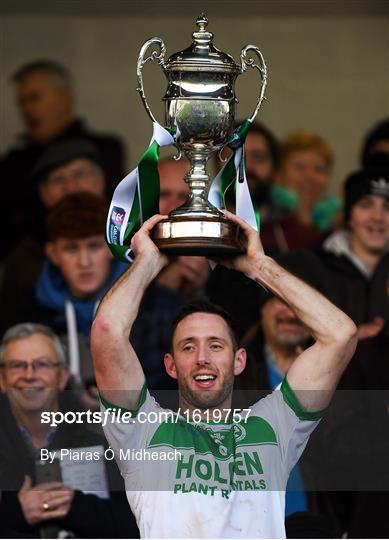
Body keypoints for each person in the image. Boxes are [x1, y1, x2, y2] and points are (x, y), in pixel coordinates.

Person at [91, 210, 357, 538]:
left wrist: (258, 266)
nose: (202, 358)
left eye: (215, 346)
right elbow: (107, 330)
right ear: (171, 366)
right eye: (188, 347)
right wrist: (149, 261)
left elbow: (340, 335)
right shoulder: (141, 432)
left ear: (239, 361)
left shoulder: (274, 426)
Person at [0, 323, 138, 538]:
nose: (29, 375)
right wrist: (16, 514)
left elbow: (135, 525)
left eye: (42, 364)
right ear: (2, 379)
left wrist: (75, 506)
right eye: (17, 365)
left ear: (63, 376)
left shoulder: (103, 437)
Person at [0, 60, 124, 259]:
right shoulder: (13, 162)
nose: (27, 109)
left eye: (34, 98)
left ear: (65, 98)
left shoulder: (105, 150)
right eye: (21, 101)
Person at [0, 140, 107, 337]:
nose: (71, 187)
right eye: (58, 179)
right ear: (43, 193)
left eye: (80, 174)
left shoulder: (135, 238)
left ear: (101, 179)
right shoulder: (24, 259)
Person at [319, 168, 389, 333]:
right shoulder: (319, 268)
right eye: (366, 205)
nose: (377, 217)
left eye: (387, 206)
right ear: (349, 217)